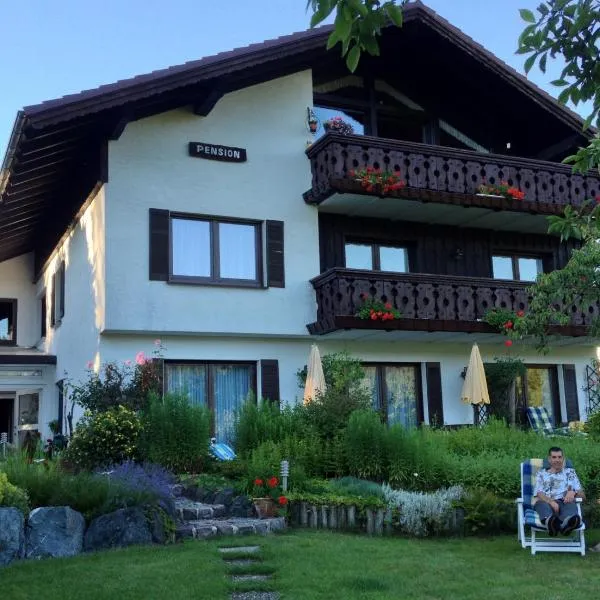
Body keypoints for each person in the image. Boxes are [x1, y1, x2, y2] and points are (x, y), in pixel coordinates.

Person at [534, 446, 585, 536]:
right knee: (540, 503)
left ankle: (566, 524)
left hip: (564, 501)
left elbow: (583, 496)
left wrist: (574, 492)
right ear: (549, 459)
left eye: (559, 457)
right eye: (554, 457)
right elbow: (539, 493)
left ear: (563, 458)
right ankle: (551, 523)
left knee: (571, 506)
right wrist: (551, 502)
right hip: (546, 502)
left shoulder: (570, 472)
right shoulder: (541, 474)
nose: (557, 460)